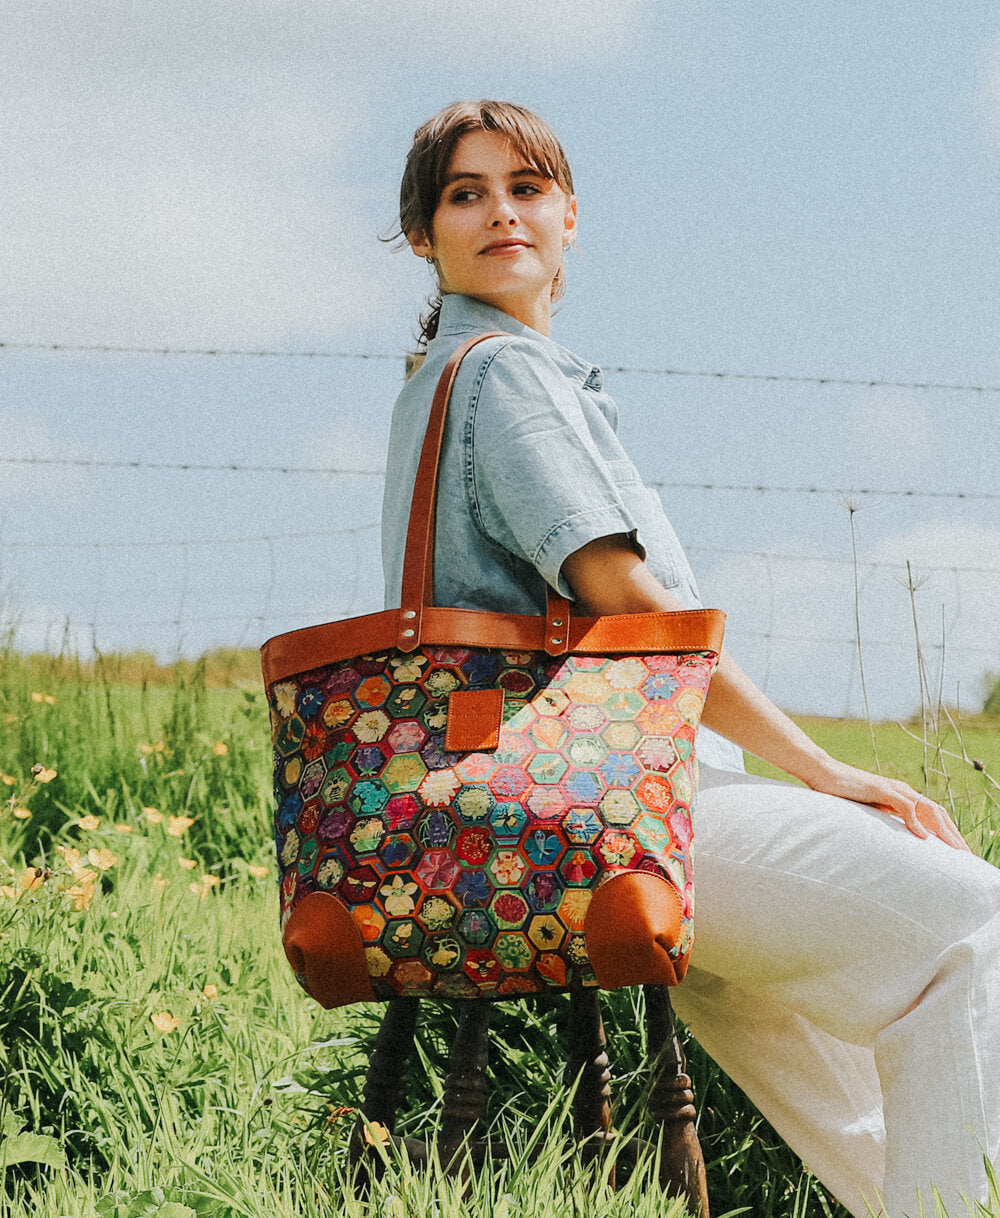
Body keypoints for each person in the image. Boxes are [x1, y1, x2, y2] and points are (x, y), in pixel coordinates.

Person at [380, 99, 1000, 1218]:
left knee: (871, 1109)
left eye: (523, 188)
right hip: (631, 812)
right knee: (974, 925)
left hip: (563, 819)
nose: (500, 212)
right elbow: (636, 611)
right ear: (423, 237)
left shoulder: (454, 379)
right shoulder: (505, 377)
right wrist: (828, 772)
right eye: (464, 195)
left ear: (569, 215)